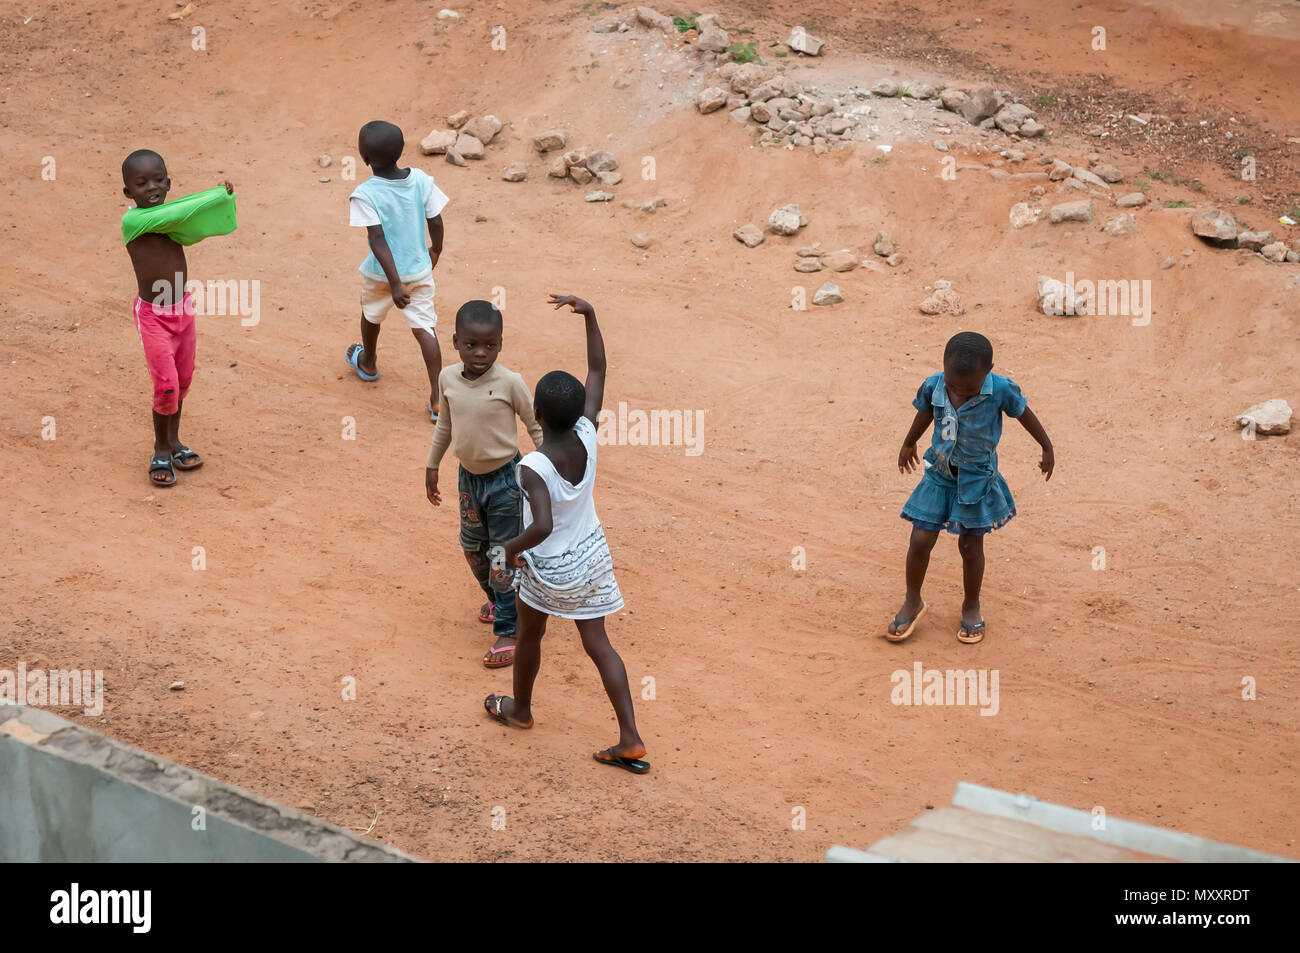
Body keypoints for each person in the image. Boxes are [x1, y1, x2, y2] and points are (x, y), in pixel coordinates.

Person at [483, 294, 648, 775]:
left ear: (534, 412)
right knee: (599, 644)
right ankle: (630, 737)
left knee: (530, 636)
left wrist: (505, 550)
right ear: (579, 411)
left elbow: (541, 526)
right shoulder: (588, 432)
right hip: (593, 556)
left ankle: (521, 710)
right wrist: (592, 315)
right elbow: (597, 372)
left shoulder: (533, 466)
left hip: (552, 566)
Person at [888, 331, 1054, 644]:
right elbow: (925, 411)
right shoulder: (934, 384)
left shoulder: (1002, 389)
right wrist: (909, 442)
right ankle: (913, 600)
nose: (961, 394)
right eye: (954, 387)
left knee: (970, 546)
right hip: (939, 474)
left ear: (988, 371)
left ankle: (971, 605)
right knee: (920, 538)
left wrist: (1047, 447)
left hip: (977, 478)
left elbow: (1024, 414)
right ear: (944, 370)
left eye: (970, 389)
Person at [426, 301, 543, 668]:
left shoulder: (510, 382)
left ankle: (509, 629)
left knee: (500, 555)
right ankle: (501, 600)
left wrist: (549, 474)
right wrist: (432, 465)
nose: (480, 353)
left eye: (489, 345)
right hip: (468, 480)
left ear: (500, 344)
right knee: (472, 547)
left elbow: (535, 426)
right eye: (471, 344)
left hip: (506, 480)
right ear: (456, 341)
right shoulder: (447, 379)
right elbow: (445, 425)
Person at [120, 149, 235, 487]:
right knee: (166, 385)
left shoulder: (171, 219)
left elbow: (192, 223)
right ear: (128, 192)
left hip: (182, 310)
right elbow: (187, 211)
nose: (151, 187)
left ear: (169, 183)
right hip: (153, 317)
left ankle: (174, 443)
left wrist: (220, 198)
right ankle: (159, 449)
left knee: (182, 381)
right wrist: (212, 197)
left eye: (158, 180)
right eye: (141, 183)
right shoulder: (135, 222)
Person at [344, 120, 447, 421]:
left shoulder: (365, 193)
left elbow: (377, 239)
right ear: (402, 150)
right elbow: (436, 220)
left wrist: (395, 283)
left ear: (364, 158)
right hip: (419, 271)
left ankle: (369, 361)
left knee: (371, 314)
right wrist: (436, 249)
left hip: (381, 275)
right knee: (425, 328)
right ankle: (438, 401)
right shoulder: (422, 181)